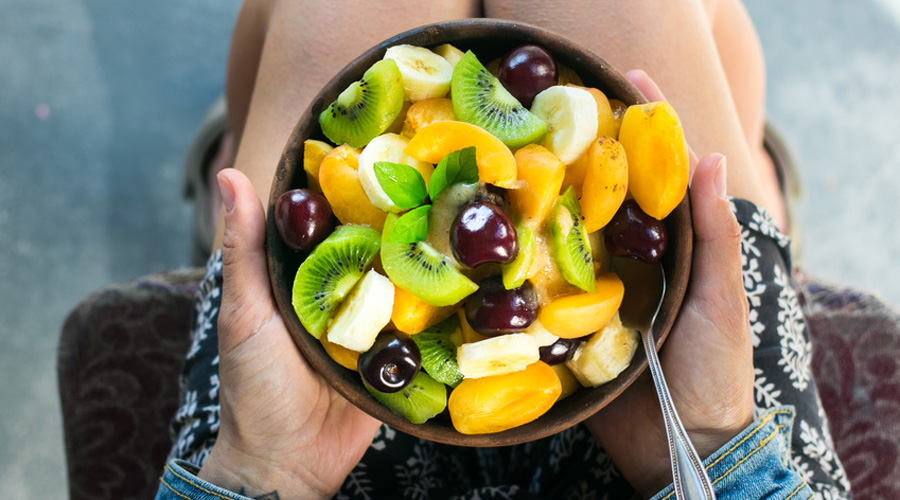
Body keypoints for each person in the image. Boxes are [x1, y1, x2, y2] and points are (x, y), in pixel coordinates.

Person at [157, 1, 852, 498]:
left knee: (309, 19)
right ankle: (761, 173)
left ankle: (232, 142)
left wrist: (270, 470)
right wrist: (705, 444)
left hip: (325, 434)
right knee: (669, 19)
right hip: (676, 439)